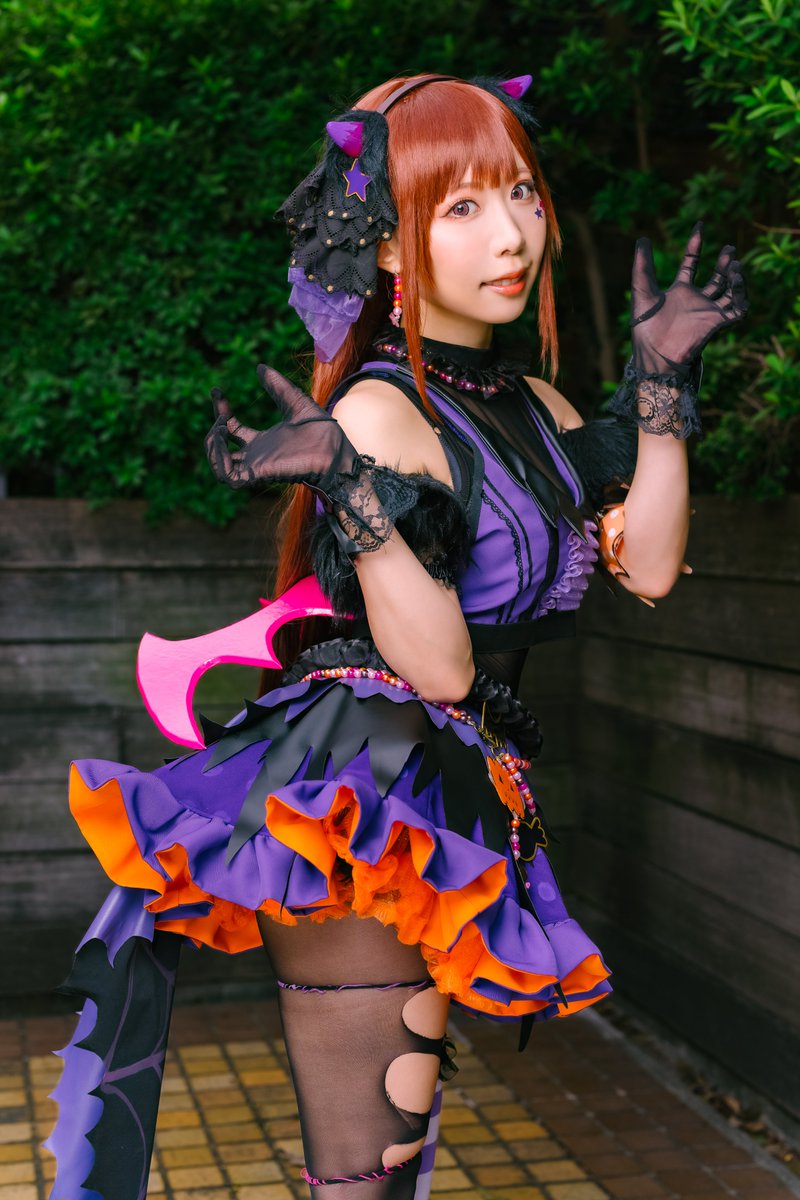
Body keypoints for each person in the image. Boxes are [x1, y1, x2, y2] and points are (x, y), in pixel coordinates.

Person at [46, 73, 748, 1200]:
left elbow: (651, 565)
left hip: (441, 784)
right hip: (353, 800)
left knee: (393, 1151)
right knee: (366, 1167)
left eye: (519, 193)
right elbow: (440, 667)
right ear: (385, 246)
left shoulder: (543, 409)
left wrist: (661, 387)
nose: (511, 234)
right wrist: (356, 496)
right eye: (459, 207)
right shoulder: (378, 411)